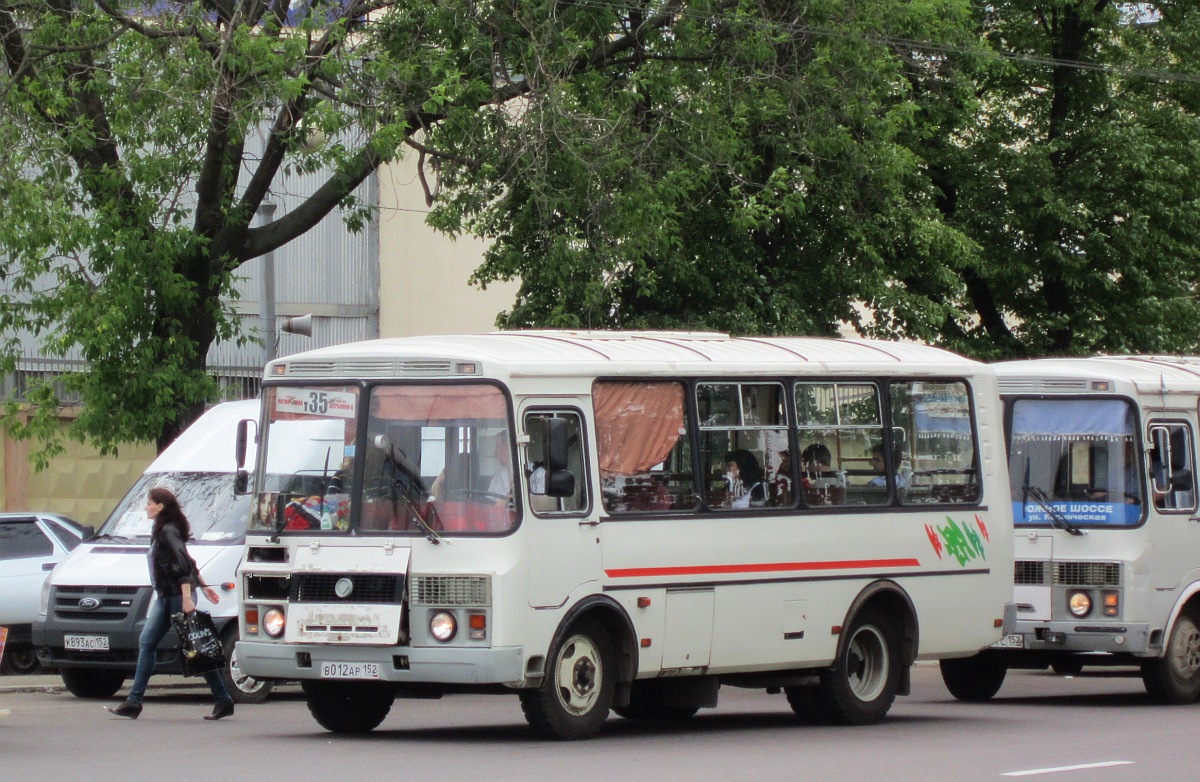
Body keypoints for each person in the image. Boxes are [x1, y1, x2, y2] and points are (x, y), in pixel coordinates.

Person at [107, 487, 234, 721]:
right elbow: (188, 560)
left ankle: (223, 699)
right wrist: (204, 586)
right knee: (149, 642)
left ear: (160, 506)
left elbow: (181, 565)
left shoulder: (168, 530)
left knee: (195, 647)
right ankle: (134, 702)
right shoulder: (163, 529)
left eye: (149, 503)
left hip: (177, 596)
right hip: (165, 596)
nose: (146, 507)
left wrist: (188, 596)